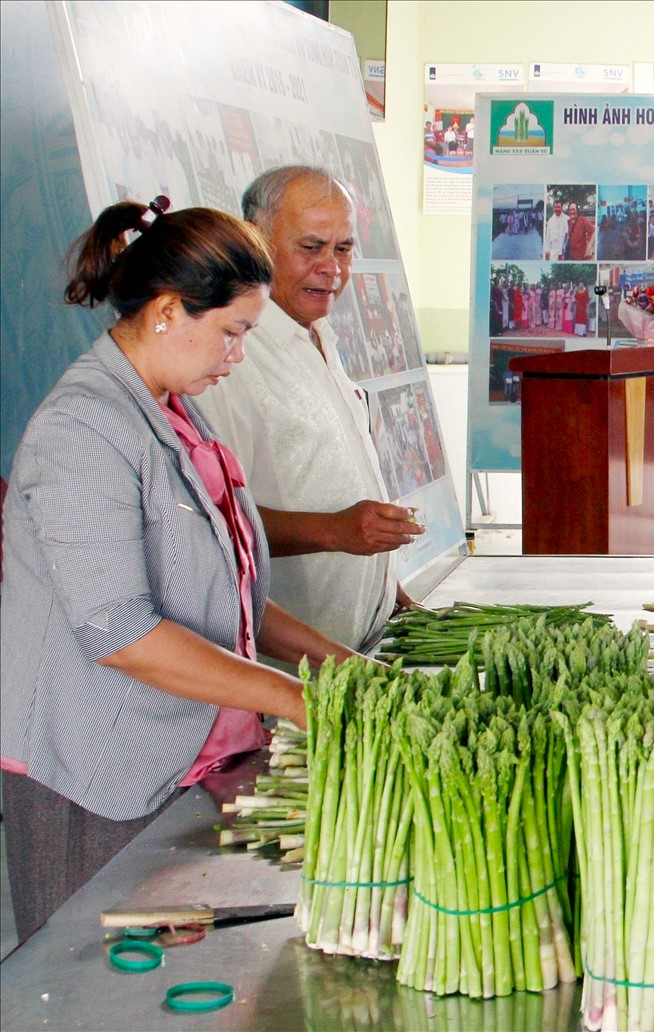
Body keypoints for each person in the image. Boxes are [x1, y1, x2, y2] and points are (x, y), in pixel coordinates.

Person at [1, 198, 363, 942]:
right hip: (101, 779)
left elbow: (224, 595)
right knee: (94, 999)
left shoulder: (169, 407)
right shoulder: (83, 427)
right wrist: (298, 701)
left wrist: (348, 669)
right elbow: (121, 631)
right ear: (168, 310)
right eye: (232, 334)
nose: (236, 358)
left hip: (190, 764)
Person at [195, 167, 423, 655]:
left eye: (343, 249)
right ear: (256, 242)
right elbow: (210, 525)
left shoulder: (319, 333)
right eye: (311, 247)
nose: (332, 268)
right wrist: (334, 531)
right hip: (285, 672)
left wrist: (384, 588)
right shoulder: (230, 359)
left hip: (358, 646)